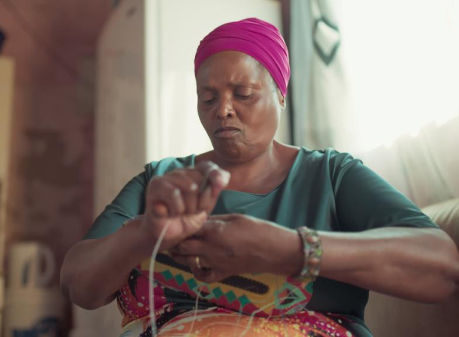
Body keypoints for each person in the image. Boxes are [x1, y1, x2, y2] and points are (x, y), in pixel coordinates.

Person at [60, 18, 459, 337]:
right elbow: (79, 286)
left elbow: (442, 268)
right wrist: (146, 232)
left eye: (244, 93)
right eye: (208, 97)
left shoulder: (331, 176)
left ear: (280, 94)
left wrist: (290, 249)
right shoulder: (161, 182)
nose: (224, 110)